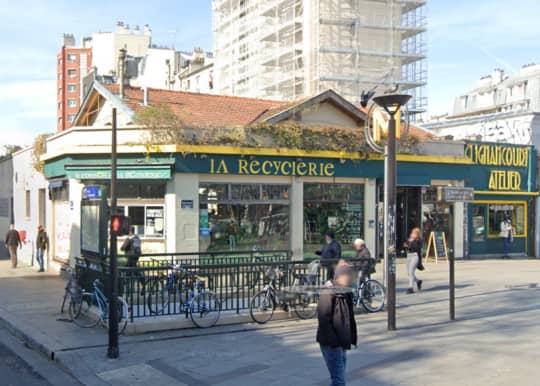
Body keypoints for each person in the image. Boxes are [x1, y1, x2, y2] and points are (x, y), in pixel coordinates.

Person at [317, 260, 357, 386]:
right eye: (348, 275)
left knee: (338, 379)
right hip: (331, 344)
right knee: (339, 381)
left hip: (340, 342)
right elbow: (323, 319)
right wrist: (334, 341)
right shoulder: (328, 292)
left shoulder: (346, 292)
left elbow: (349, 318)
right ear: (340, 276)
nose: (351, 278)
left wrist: (351, 338)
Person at [403, 227, 423, 294]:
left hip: (415, 256)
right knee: (409, 273)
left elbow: (416, 248)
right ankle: (418, 281)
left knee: (411, 271)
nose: (412, 234)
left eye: (414, 233)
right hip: (409, 256)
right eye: (412, 233)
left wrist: (411, 243)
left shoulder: (418, 240)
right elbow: (405, 246)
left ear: (417, 234)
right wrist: (406, 244)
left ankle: (410, 288)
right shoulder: (409, 239)